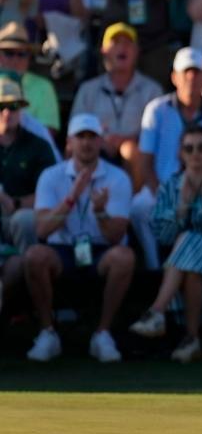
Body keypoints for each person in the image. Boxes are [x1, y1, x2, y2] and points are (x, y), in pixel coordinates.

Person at [24, 114, 135, 362]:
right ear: (69, 143)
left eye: (92, 137)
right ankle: (47, 333)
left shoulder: (118, 178)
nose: (86, 143)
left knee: (124, 258)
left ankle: (103, 333)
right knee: (34, 256)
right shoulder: (51, 176)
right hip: (62, 251)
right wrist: (72, 197)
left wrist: (100, 212)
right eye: (80, 137)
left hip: (100, 251)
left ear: (101, 142)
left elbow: (116, 236)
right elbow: (42, 231)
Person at [128, 124, 202, 363]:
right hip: (187, 262)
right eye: (189, 149)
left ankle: (157, 311)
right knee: (191, 256)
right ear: (181, 153)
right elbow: (162, 237)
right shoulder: (170, 187)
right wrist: (181, 207)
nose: (196, 154)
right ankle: (192, 339)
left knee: (189, 240)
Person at [134, 47, 202, 270]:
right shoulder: (156, 109)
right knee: (140, 208)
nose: (191, 78)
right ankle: (155, 269)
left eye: (197, 72)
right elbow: (144, 161)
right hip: (161, 187)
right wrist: (164, 195)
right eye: (186, 72)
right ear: (174, 77)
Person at [70, 22, 163, 183]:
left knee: (130, 150)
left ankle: (134, 202)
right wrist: (100, 141)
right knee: (73, 148)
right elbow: (75, 129)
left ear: (136, 51)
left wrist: (127, 140)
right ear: (104, 51)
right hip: (95, 147)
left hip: (135, 154)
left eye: (128, 43)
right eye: (116, 43)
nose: (122, 48)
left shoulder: (152, 90)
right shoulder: (88, 89)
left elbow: (158, 134)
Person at [0, 74, 56, 259]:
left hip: (20, 219)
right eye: (2, 107)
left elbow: (51, 192)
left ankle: (29, 270)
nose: (7, 113)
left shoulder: (38, 146)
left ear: (21, 110)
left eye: (13, 106)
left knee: (24, 219)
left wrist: (15, 203)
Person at [0, 22, 59, 134]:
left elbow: (47, 135)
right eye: (9, 53)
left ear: (29, 57)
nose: (15, 60)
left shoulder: (44, 87)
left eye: (21, 54)